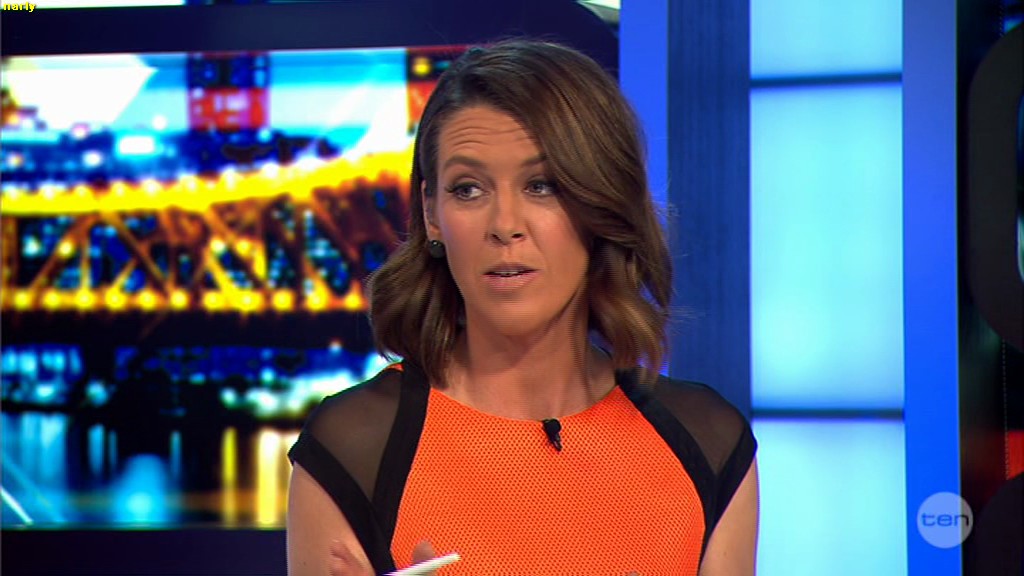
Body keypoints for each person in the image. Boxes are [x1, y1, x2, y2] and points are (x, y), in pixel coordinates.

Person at [286, 39, 759, 576]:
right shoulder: (356, 449)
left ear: (602, 203)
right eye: (468, 189)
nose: (505, 225)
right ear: (432, 213)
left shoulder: (707, 442)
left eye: (542, 186)